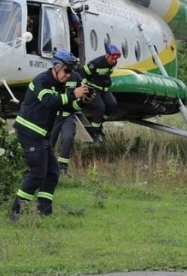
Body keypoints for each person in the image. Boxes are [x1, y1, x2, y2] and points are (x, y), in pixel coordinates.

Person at [11, 49, 89, 220]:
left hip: (41, 135)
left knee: (52, 173)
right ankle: (17, 212)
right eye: (66, 71)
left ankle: (44, 212)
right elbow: (49, 101)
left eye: (71, 72)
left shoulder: (58, 85)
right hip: (29, 131)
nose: (68, 75)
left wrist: (80, 102)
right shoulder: (42, 81)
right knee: (38, 172)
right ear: (56, 66)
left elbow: (64, 107)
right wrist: (72, 94)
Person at [50, 67, 86, 176]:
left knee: (67, 138)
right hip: (53, 116)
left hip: (69, 116)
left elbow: (82, 92)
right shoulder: (52, 77)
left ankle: (62, 168)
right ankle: (47, 167)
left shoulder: (76, 77)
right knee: (48, 143)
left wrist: (84, 99)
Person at [81, 44, 120, 141]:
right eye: (112, 58)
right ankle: (94, 132)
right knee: (100, 107)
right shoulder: (95, 64)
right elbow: (81, 73)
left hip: (104, 90)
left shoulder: (113, 63)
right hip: (93, 88)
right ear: (107, 55)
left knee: (112, 104)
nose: (114, 61)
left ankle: (99, 123)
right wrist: (86, 88)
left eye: (115, 59)